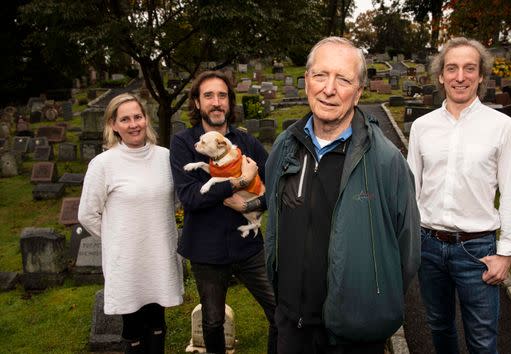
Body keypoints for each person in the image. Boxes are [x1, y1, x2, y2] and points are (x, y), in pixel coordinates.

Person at [265, 36, 422, 353]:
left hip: (354, 336)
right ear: (307, 80)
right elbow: (275, 224)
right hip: (291, 327)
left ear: (359, 91)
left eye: (343, 79)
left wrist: (371, 306)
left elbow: (406, 253)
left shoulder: (386, 161)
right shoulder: (285, 146)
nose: (329, 89)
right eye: (320, 75)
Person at [406, 37, 511, 354]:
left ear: (481, 75)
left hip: (478, 250)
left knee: (483, 339)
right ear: (441, 75)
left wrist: (507, 252)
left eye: (469, 68)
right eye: (452, 68)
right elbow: (411, 189)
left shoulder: (502, 127)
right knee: (439, 327)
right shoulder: (421, 127)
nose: (460, 76)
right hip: (429, 247)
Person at [169, 70, 277, 354]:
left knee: (280, 312)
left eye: (222, 95)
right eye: (208, 96)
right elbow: (191, 197)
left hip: (249, 247)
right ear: (196, 103)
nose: (216, 102)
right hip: (206, 250)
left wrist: (250, 204)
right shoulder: (183, 144)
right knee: (213, 322)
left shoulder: (247, 143)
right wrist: (239, 182)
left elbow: (275, 189)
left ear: (229, 102)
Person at [78, 93, 184, 353]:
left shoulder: (165, 157)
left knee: (157, 320)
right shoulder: (103, 164)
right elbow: (87, 214)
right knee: (134, 326)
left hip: (159, 254)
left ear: (146, 119)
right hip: (127, 261)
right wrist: (117, 240)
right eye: (125, 119)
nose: (133, 124)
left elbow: (175, 202)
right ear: (113, 125)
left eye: (138, 117)